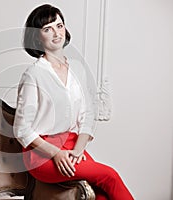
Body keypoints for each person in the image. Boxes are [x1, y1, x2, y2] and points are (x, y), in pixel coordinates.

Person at [13, 4, 134, 200]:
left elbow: (87, 114)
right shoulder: (33, 75)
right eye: (47, 29)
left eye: (59, 26)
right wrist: (56, 154)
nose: (56, 33)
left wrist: (78, 150)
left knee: (100, 194)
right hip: (40, 152)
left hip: (72, 143)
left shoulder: (77, 69)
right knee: (110, 176)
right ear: (37, 37)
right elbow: (22, 129)